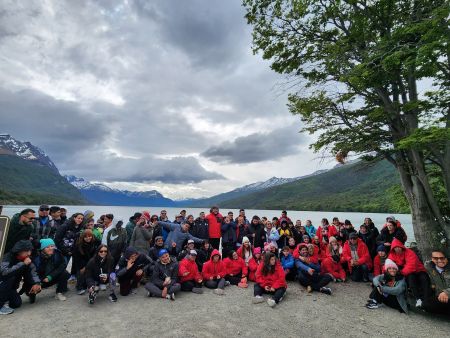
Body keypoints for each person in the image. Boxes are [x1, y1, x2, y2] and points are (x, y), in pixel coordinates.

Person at [0, 240, 41, 315]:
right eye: (27, 251)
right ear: (19, 250)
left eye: (30, 250)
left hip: (11, 288)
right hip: (2, 284)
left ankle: (5, 300)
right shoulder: (8, 257)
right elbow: (4, 273)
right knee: (10, 277)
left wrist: (37, 283)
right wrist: (22, 264)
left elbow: (33, 271)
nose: (29, 253)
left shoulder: (26, 259)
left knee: (17, 303)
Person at [388, 238, 430, 308]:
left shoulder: (409, 252)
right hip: (409, 272)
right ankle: (418, 299)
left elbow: (411, 266)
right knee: (411, 279)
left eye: (398, 247)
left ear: (401, 247)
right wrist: (389, 273)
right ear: (393, 249)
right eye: (395, 248)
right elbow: (388, 264)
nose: (397, 249)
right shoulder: (392, 254)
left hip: (418, 270)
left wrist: (401, 273)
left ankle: (426, 299)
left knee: (424, 279)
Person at [54, 212, 84, 281]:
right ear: (74, 218)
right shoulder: (65, 226)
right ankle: (57, 280)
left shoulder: (79, 227)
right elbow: (57, 239)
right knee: (61, 266)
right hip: (62, 250)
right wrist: (66, 250)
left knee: (67, 265)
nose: (80, 220)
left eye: (81, 219)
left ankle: (63, 279)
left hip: (72, 250)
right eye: (78, 218)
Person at [423, 249, 450, 314]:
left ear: (446, 258)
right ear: (432, 259)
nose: (439, 260)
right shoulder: (429, 267)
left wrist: (446, 292)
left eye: (442, 258)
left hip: (447, 293)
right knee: (426, 306)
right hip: (440, 296)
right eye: (435, 258)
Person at [73, 229, 98, 295]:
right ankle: (79, 287)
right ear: (83, 237)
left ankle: (91, 285)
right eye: (86, 237)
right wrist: (83, 267)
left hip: (91, 261)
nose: (88, 238)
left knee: (92, 272)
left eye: (89, 236)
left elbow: (95, 255)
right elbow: (77, 259)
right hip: (81, 263)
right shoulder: (78, 245)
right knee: (81, 272)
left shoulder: (94, 243)